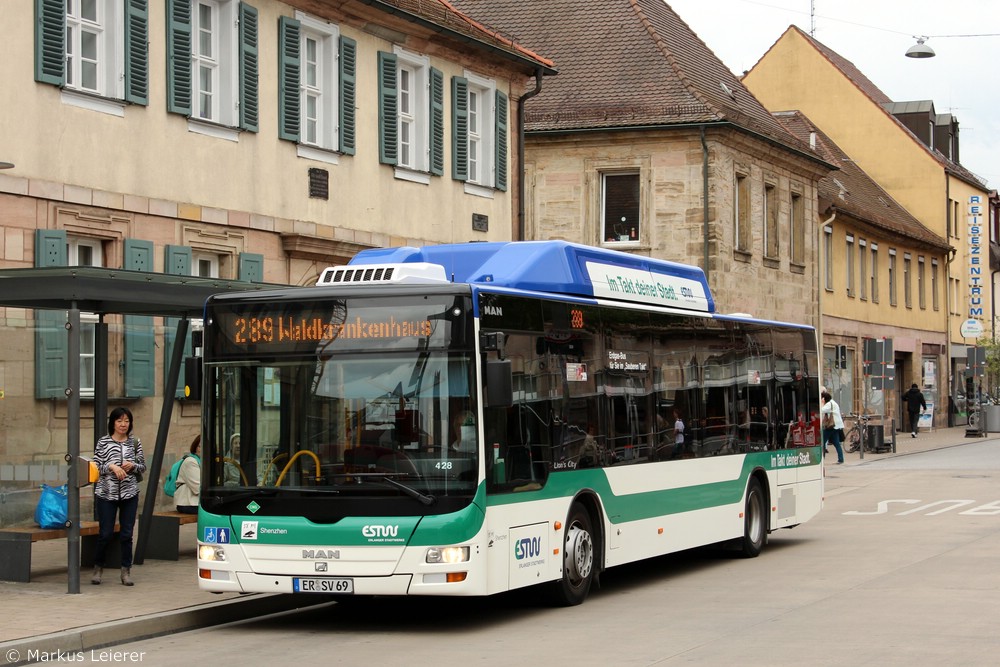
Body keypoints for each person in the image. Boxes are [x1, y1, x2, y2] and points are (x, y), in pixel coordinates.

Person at [92, 406, 146, 586]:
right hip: (106, 494)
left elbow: (143, 467)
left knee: (126, 534)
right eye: (119, 421)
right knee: (105, 533)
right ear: (113, 423)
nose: (123, 425)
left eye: (126, 421)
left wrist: (133, 465)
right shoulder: (103, 442)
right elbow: (96, 466)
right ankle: (98, 567)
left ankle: (125, 571)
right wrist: (112, 467)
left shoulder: (135, 443)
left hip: (130, 493)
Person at [175, 435, 201, 514]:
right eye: (200, 446)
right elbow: (198, 487)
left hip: (198, 503)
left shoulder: (203, 461)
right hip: (188, 504)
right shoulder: (190, 461)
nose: (204, 449)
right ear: (195, 448)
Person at [820, 391, 845, 464]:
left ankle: (822, 458)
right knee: (837, 443)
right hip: (837, 426)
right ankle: (841, 459)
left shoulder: (828, 404)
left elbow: (821, 410)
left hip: (831, 426)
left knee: (823, 441)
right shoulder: (834, 403)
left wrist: (821, 403)